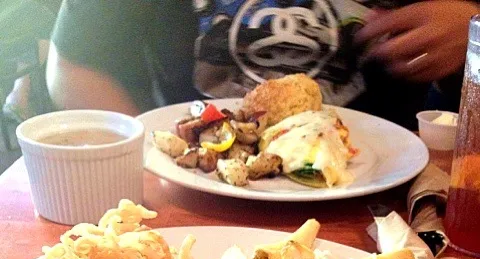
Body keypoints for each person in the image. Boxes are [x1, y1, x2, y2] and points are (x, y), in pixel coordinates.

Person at [46, 0, 478, 129]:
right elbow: (73, 66)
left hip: (390, 203)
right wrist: (142, 159)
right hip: (192, 190)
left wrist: (474, 30)